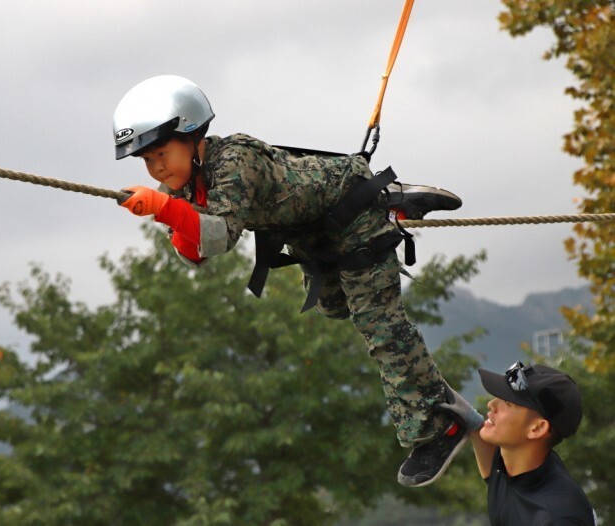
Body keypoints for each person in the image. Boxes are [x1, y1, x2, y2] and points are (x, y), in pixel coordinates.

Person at [113, 74, 467, 487]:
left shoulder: (233, 161)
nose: (156, 167)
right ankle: (425, 383)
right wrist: (167, 213)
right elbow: (197, 253)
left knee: (381, 328)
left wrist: (166, 209)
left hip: (352, 212)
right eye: (147, 161)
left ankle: (436, 427)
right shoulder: (183, 186)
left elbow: (221, 236)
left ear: (192, 134)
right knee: (333, 306)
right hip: (310, 231)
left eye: (161, 153)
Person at [441, 361, 597, 525]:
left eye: (508, 402)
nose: (491, 404)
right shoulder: (513, 466)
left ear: (537, 428)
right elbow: (491, 471)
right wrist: (470, 420)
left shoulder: (557, 517)